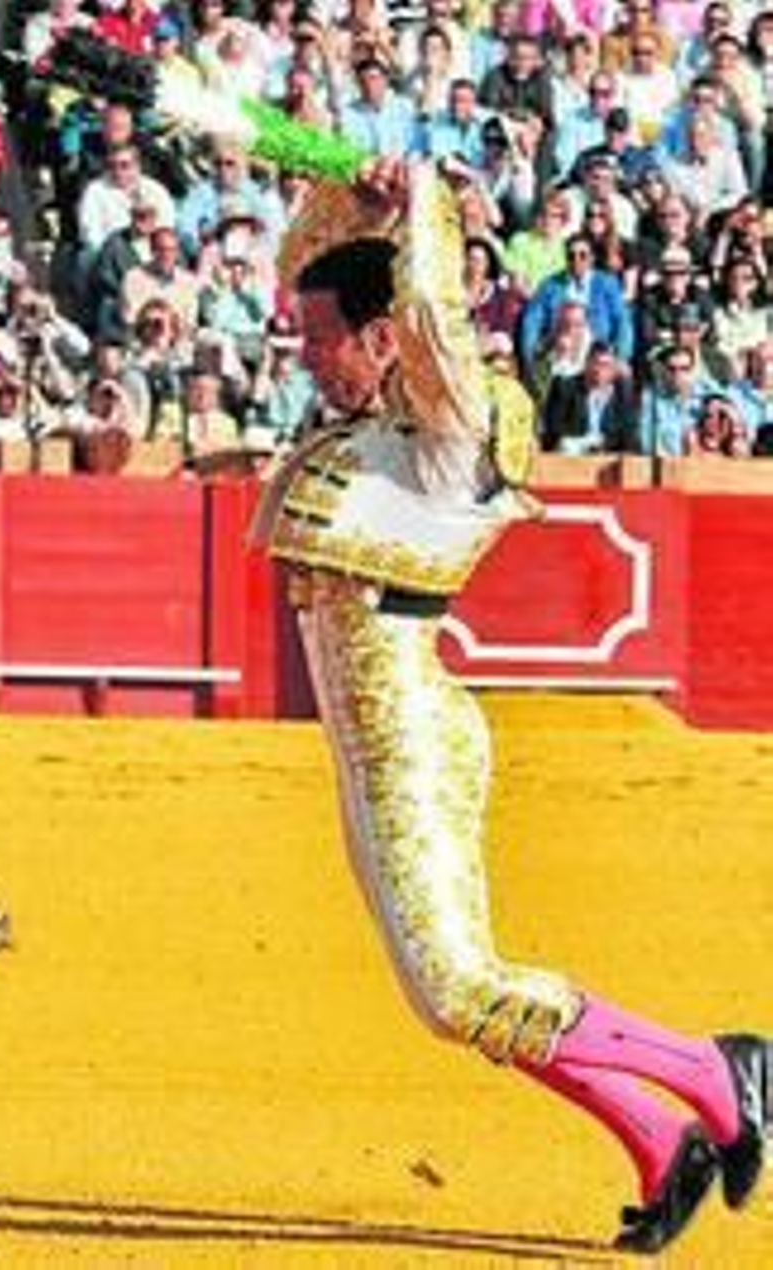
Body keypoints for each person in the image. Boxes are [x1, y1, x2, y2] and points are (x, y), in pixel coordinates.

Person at [250, 154, 771, 1257]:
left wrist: (427, 199)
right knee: (448, 986)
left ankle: (713, 1074)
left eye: (319, 339)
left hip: (415, 741)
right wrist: (363, 198)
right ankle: (654, 1136)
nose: (303, 356)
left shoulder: (458, 419)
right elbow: (316, 261)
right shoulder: (382, 422)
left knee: (453, 988)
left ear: (381, 336)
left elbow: (432, 308)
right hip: (371, 744)